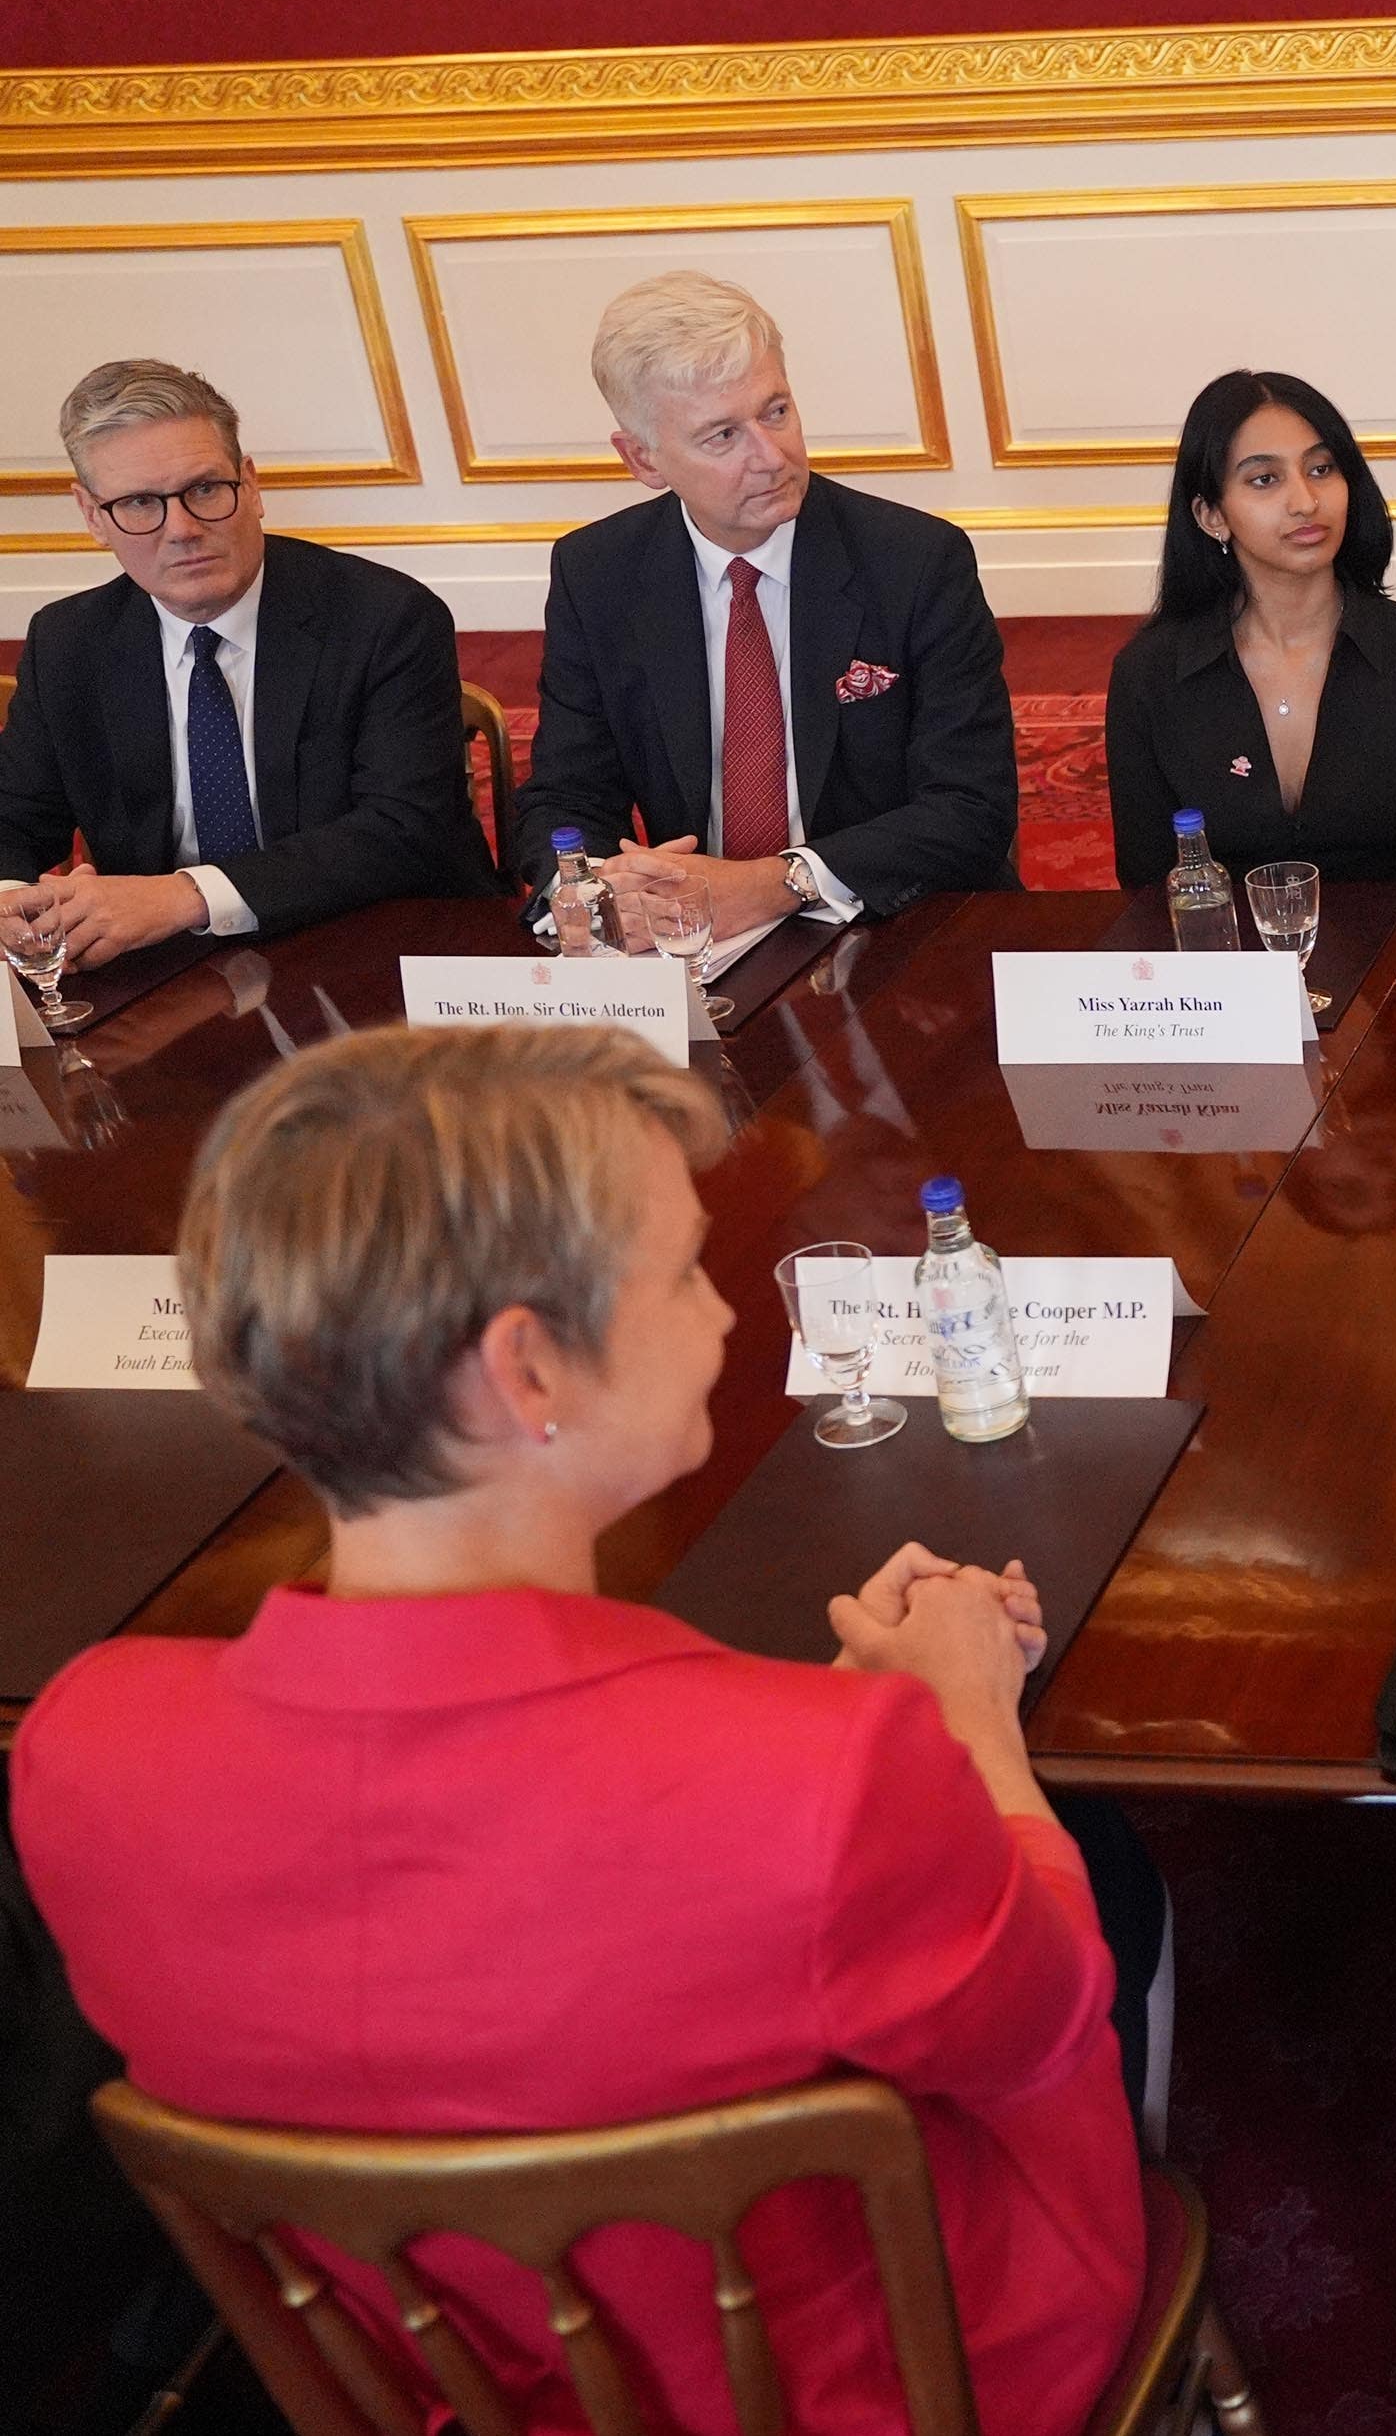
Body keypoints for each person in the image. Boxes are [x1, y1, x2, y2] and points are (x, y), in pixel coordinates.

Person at [9, 1025, 1151, 2436]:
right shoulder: (827, 1769)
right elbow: (1047, 2006)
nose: (732, 1312)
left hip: (450, 2383)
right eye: (683, 1269)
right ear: (527, 1368)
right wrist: (969, 1713)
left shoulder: (82, 1743)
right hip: (876, 2382)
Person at [512, 273, 1019, 945]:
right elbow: (563, 798)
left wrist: (778, 882)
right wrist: (603, 892)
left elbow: (971, 807)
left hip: (889, 926)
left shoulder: (915, 561)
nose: (771, 455)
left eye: (775, 411)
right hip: (688, 937)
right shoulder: (598, 573)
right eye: (722, 435)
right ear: (642, 458)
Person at [0, 359, 493, 964]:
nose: (180, 528)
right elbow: (15, 821)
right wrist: (9, 904)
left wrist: (185, 896)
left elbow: (403, 830)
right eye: (137, 503)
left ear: (252, 486)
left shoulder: (384, 617)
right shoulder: (69, 641)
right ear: (92, 516)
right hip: (166, 973)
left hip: (378, 943)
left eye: (205, 489)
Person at [1105, 369, 1396, 886]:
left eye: (1321, 469)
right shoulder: (1149, 675)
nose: (1305, 501)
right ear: (1210, 515)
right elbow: (1150, 888)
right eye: (1264, 479)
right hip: (1226, 963)